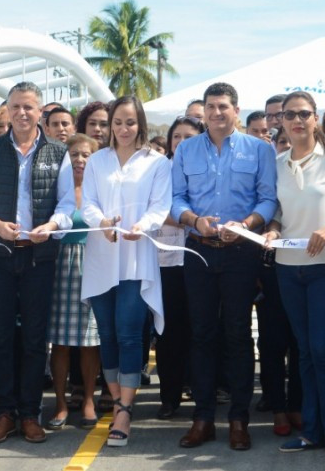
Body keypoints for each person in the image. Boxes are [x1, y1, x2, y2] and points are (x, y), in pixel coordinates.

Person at [0, 81, 76, 445]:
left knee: (34, 337)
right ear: (8, 110)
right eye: (15, 106)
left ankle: (30, 412)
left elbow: (67, 204)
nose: (22, 113)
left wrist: (52, 226)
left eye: (29, 107)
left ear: (40, 111)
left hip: (39, 255)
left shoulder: (57, 151)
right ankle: (4, 411)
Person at [171, 82, 277, 452]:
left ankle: (238, 419)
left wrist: (246, 225)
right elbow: (176, 199)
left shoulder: (259, 149)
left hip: (240, 253)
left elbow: (268, 200)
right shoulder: (186, 149)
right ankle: (202, 418)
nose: (217, 112)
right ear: (204, 110)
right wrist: (193, 220)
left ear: (236, 110)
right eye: (211, 106)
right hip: (198, 250)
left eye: (223, 106)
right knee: (201, 334)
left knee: (237, 335)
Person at [261, 91, 325, 460]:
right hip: (288, 268)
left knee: (322, 351)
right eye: (290, 115)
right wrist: (272, 229)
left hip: (324, 269)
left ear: (316, 118)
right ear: (282, 121)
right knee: (304, 352)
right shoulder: (277, 163)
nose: (297, 120)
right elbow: (277, 212)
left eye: (304, 114)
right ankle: (312, 431)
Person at [81, 97, 171, 447]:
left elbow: (160, 205)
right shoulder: (97, 161)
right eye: (117, 122)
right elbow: (88, 203)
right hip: (102, 255)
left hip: (136, 255)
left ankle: (125, 410)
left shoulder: (156, 163)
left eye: (130, 122)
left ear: (140, 124)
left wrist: (143, 225)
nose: (123, 128)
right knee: (107, 334)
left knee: (130, 333)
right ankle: (118, 399)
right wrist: (101, 221)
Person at [46, 133, 102, 432]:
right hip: (59, 265)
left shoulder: (100, 190)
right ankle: (60, 403)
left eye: (86, 154)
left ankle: (89, 400)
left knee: (90, 340)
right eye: (74, 155)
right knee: (60, 342)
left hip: (92, 263)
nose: (79, 160)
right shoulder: (58, 190)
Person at [155, 116, 204, 420]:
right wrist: (193, 219)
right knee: (169, 331)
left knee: (201, 330)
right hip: (167, 260)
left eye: (189, 137)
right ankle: (169, 397)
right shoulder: (159, 168)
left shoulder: (207, 168)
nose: (182, 142)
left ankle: (201, 393)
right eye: (177, 137)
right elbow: (155, 210)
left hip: (200, 256)